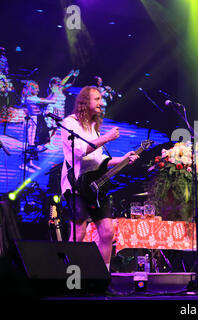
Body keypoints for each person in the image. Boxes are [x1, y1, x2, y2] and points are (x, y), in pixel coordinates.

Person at [60, 86, 139, 271]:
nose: (101, 103)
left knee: (107, 232)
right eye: (96, 98)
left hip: (94, 186)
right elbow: (80, 151)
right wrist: (106, 138)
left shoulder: (94, 127)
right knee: (78, 231)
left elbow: (98, 159)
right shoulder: (69, 123)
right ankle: (70, 276)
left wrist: (123, 159)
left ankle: (103, 274)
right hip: (76, 185)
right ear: (84, 101)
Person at [20, 81, 56, 170]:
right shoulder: (31, 99)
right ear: (31, 89)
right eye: (36, 88)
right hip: (32, 122)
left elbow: (46, 100)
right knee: (31, 144)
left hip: (37, 121)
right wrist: (54, 92)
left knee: (34, 144)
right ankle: (23, 165)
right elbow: (51, 101)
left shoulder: (34, 97)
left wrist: (52, 92)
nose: (38, 90)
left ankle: (30, 163)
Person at [45, 69, 79, 150]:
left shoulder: (61, 89)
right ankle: (47, 142)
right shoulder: (52, 89)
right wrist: (69, 75)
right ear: (53, 83)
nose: (59, 83)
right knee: (50, 127)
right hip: (53, 109)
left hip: (60, 110)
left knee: (56, 127)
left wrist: (74, 77)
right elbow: (62, 83)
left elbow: (71, 84)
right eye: (57, 82)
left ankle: (51, 142)